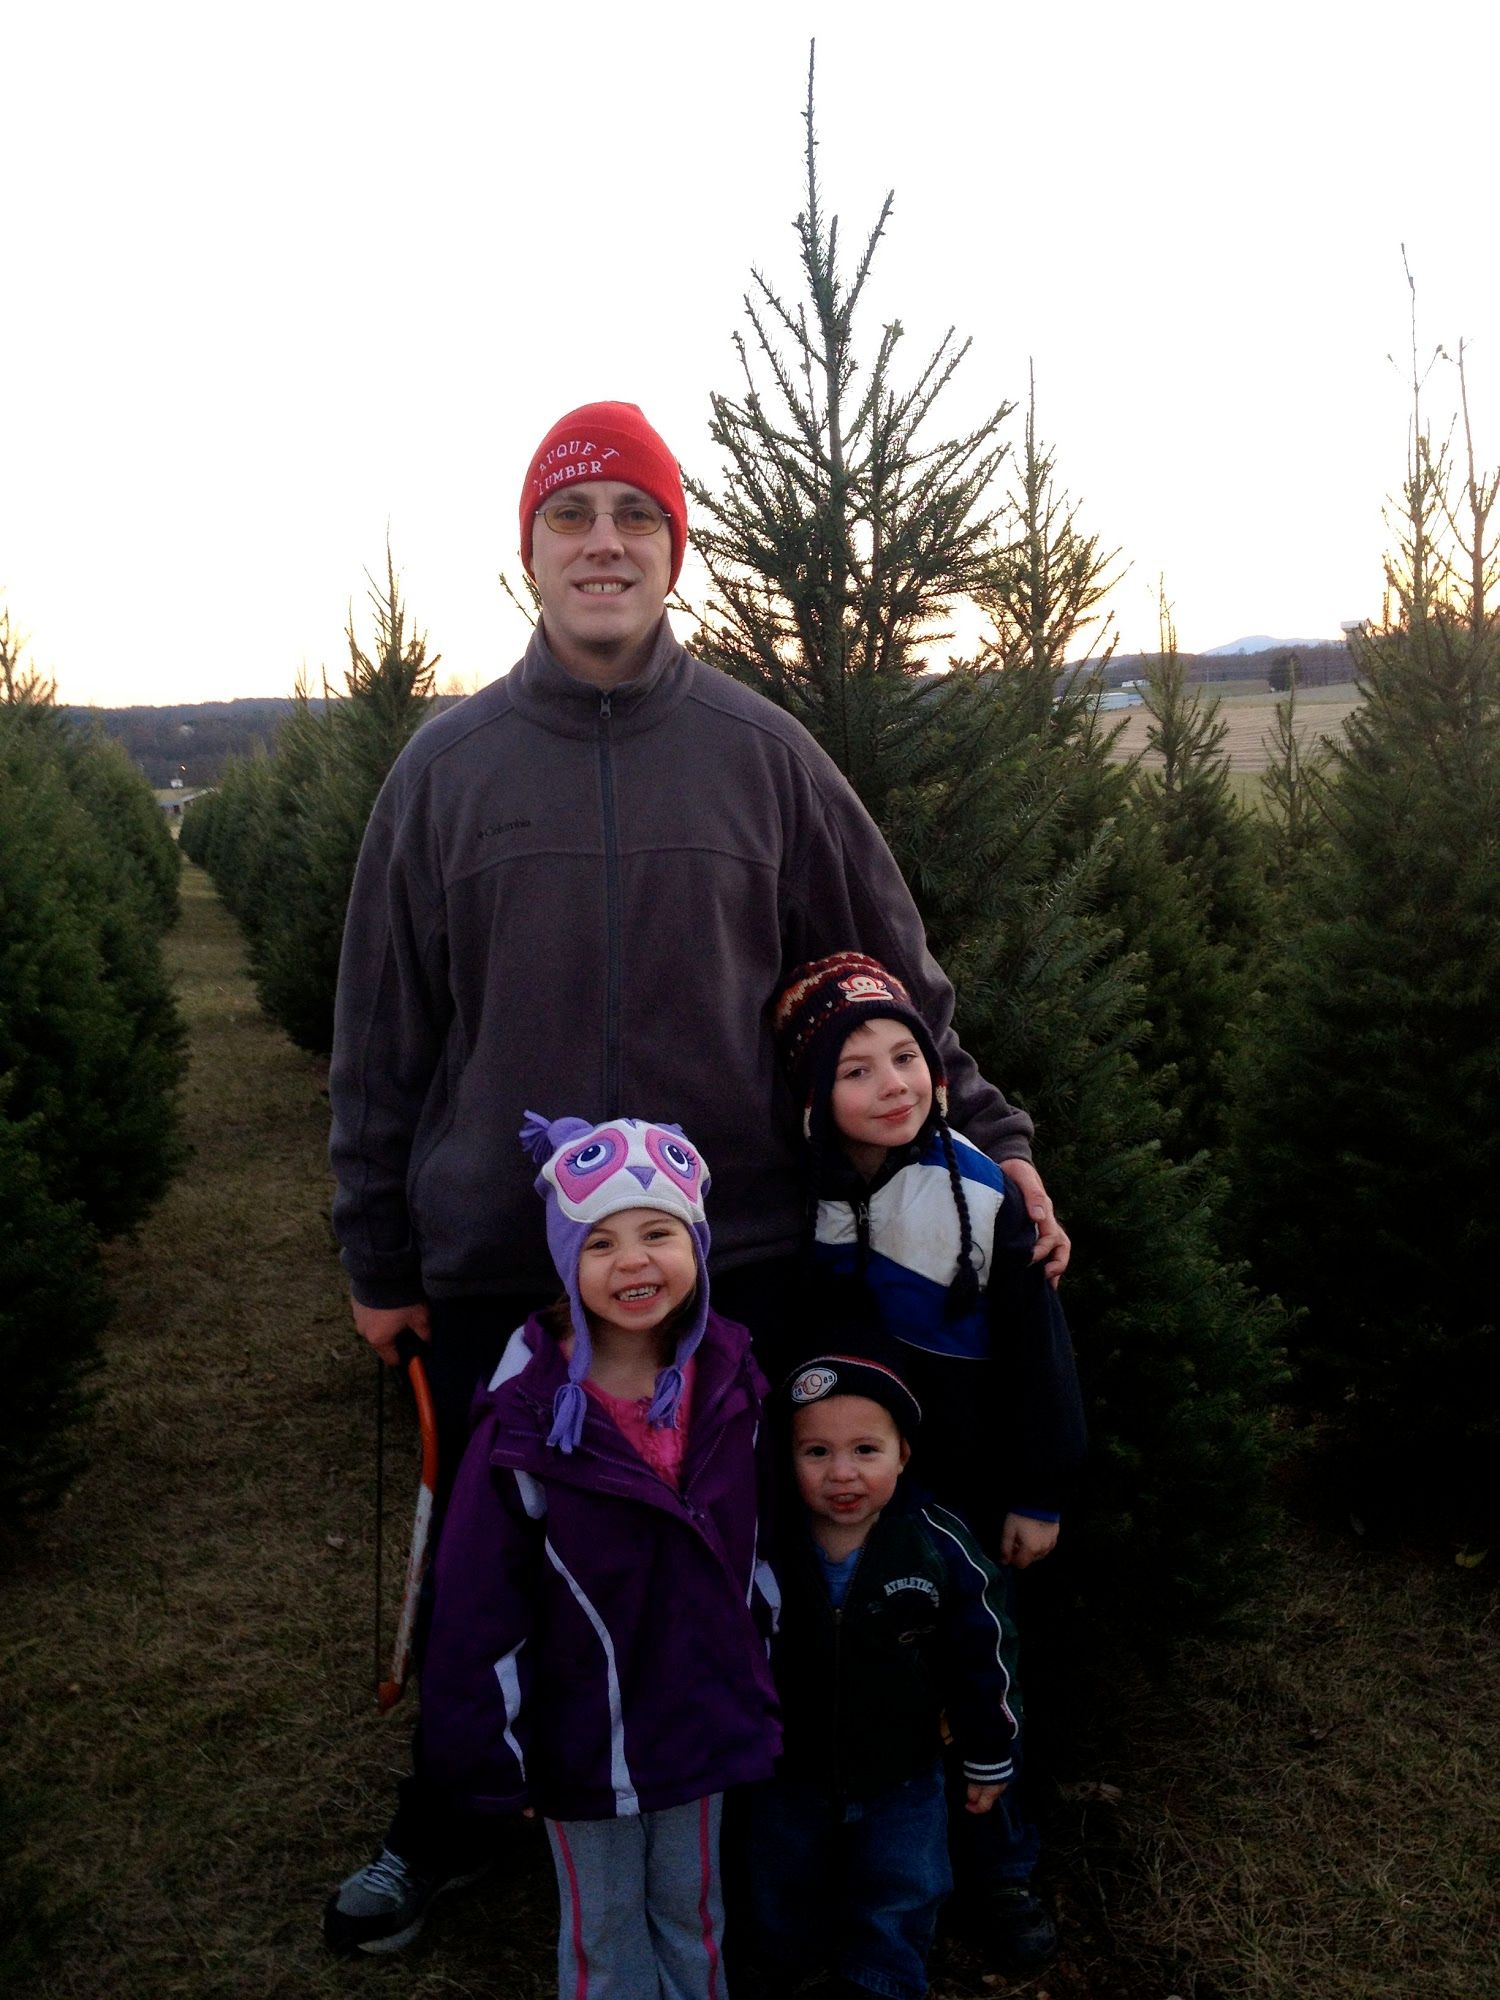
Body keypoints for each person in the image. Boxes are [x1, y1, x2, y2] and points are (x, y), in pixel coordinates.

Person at [324, 399, 1068, 1951]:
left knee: (746, 1564)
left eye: (635, 518)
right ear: (527, 550)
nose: (604, 545)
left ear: (677, 549)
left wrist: (991, 1136)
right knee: (489, 1559)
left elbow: (896, 982)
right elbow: (383, 1029)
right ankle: (449, 1817)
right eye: (572, 517)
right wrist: (377, 1247)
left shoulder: (763, 756)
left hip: (737, 1249)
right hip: (499, 1267)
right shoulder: (445, 772)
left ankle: (781, 1841)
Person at [771, 951, 1088, 1973]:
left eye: (906, 1056)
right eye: (856, 1069)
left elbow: (1042, 1359)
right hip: (852, 1499)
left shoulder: (988, 1195)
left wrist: (1038, 1491)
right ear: (818, 1098)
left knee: (980, 1665)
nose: (892, 1082)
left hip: (965, 1492)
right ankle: (854, 1860)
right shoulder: (801, 1203)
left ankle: (1001, 1863)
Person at [416, 1112, 780, 1998]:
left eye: (658, 1234)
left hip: (699, 1715)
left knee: (693, 1913)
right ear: (565, 1262)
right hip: (583, 1739)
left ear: (696, 1244)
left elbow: (756, 1551)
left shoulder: (731, 1379)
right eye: (601, 1243)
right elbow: (477, 1604)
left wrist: (754, 1669)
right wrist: (492, 1757)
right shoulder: (528, 1420)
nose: (633, 1263)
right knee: (607, 1932)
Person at [743, 1349, 1019, 2000]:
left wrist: (988, 1751)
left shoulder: (938, 1546)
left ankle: (883, 1978)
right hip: (785, 1767)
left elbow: (987, 1655)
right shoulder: (764, 1542)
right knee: (777, 1880)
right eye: (816, 1453)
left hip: (904, 1772)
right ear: (788, 1458)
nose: (842, 1473)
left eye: (866, 1450)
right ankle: (782, 1967)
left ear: (904, 1455)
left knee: (903, 1882)